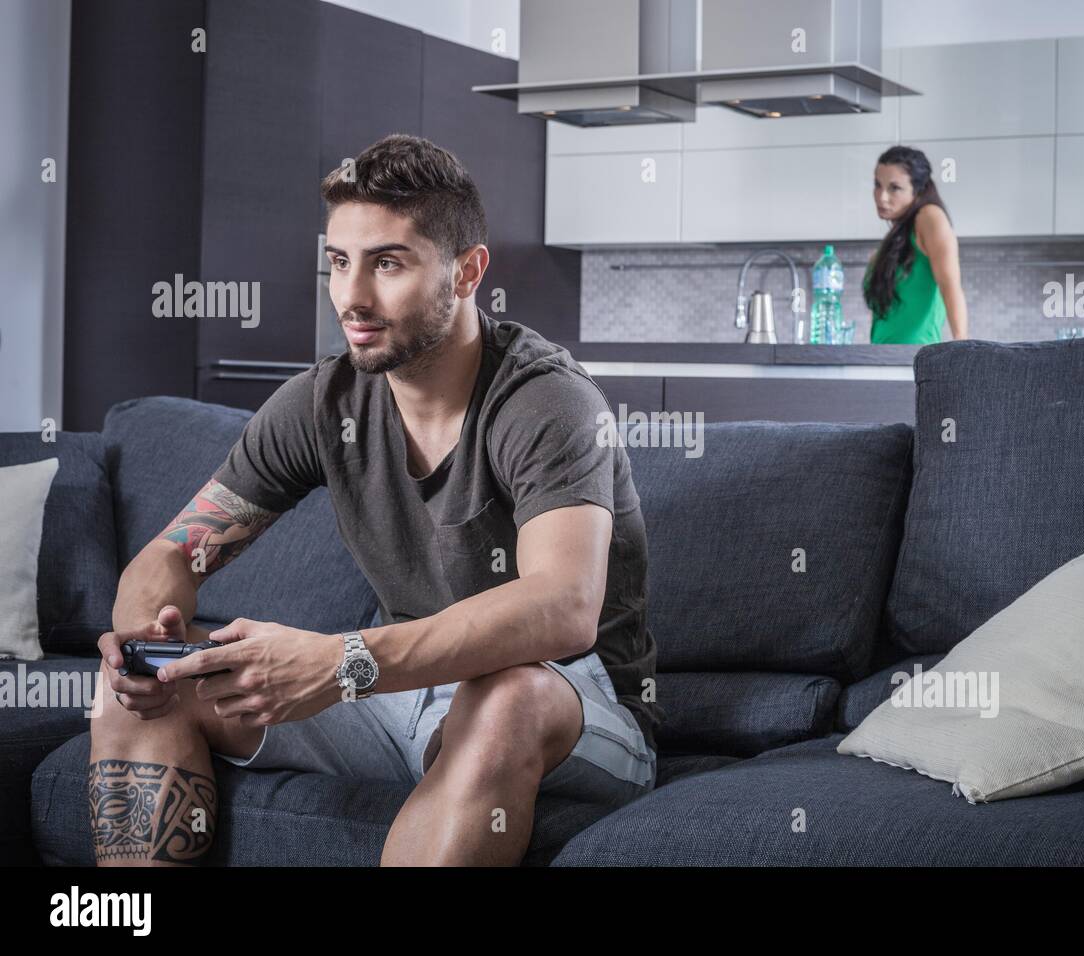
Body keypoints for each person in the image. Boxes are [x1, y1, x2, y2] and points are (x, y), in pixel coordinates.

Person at [89, 134, 662, 867]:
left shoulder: (546, 399)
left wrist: (343, 662)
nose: (351, 297)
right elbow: (174, 551)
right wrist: (146, 647)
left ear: (467, 271)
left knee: (504, 698)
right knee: (151, 687)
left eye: (387, 263)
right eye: (338, 262)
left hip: (570, 700)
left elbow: (561, 607)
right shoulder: (323, 401)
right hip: (398, 697)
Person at [865, 145, 970, 343]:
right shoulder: (899, 236)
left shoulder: (930, 216)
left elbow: (950, 285)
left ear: (918, 190)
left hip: (913, 360)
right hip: (884, 358)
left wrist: (962, 348)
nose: (881, 197)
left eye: (894, 188)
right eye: (877, 185)